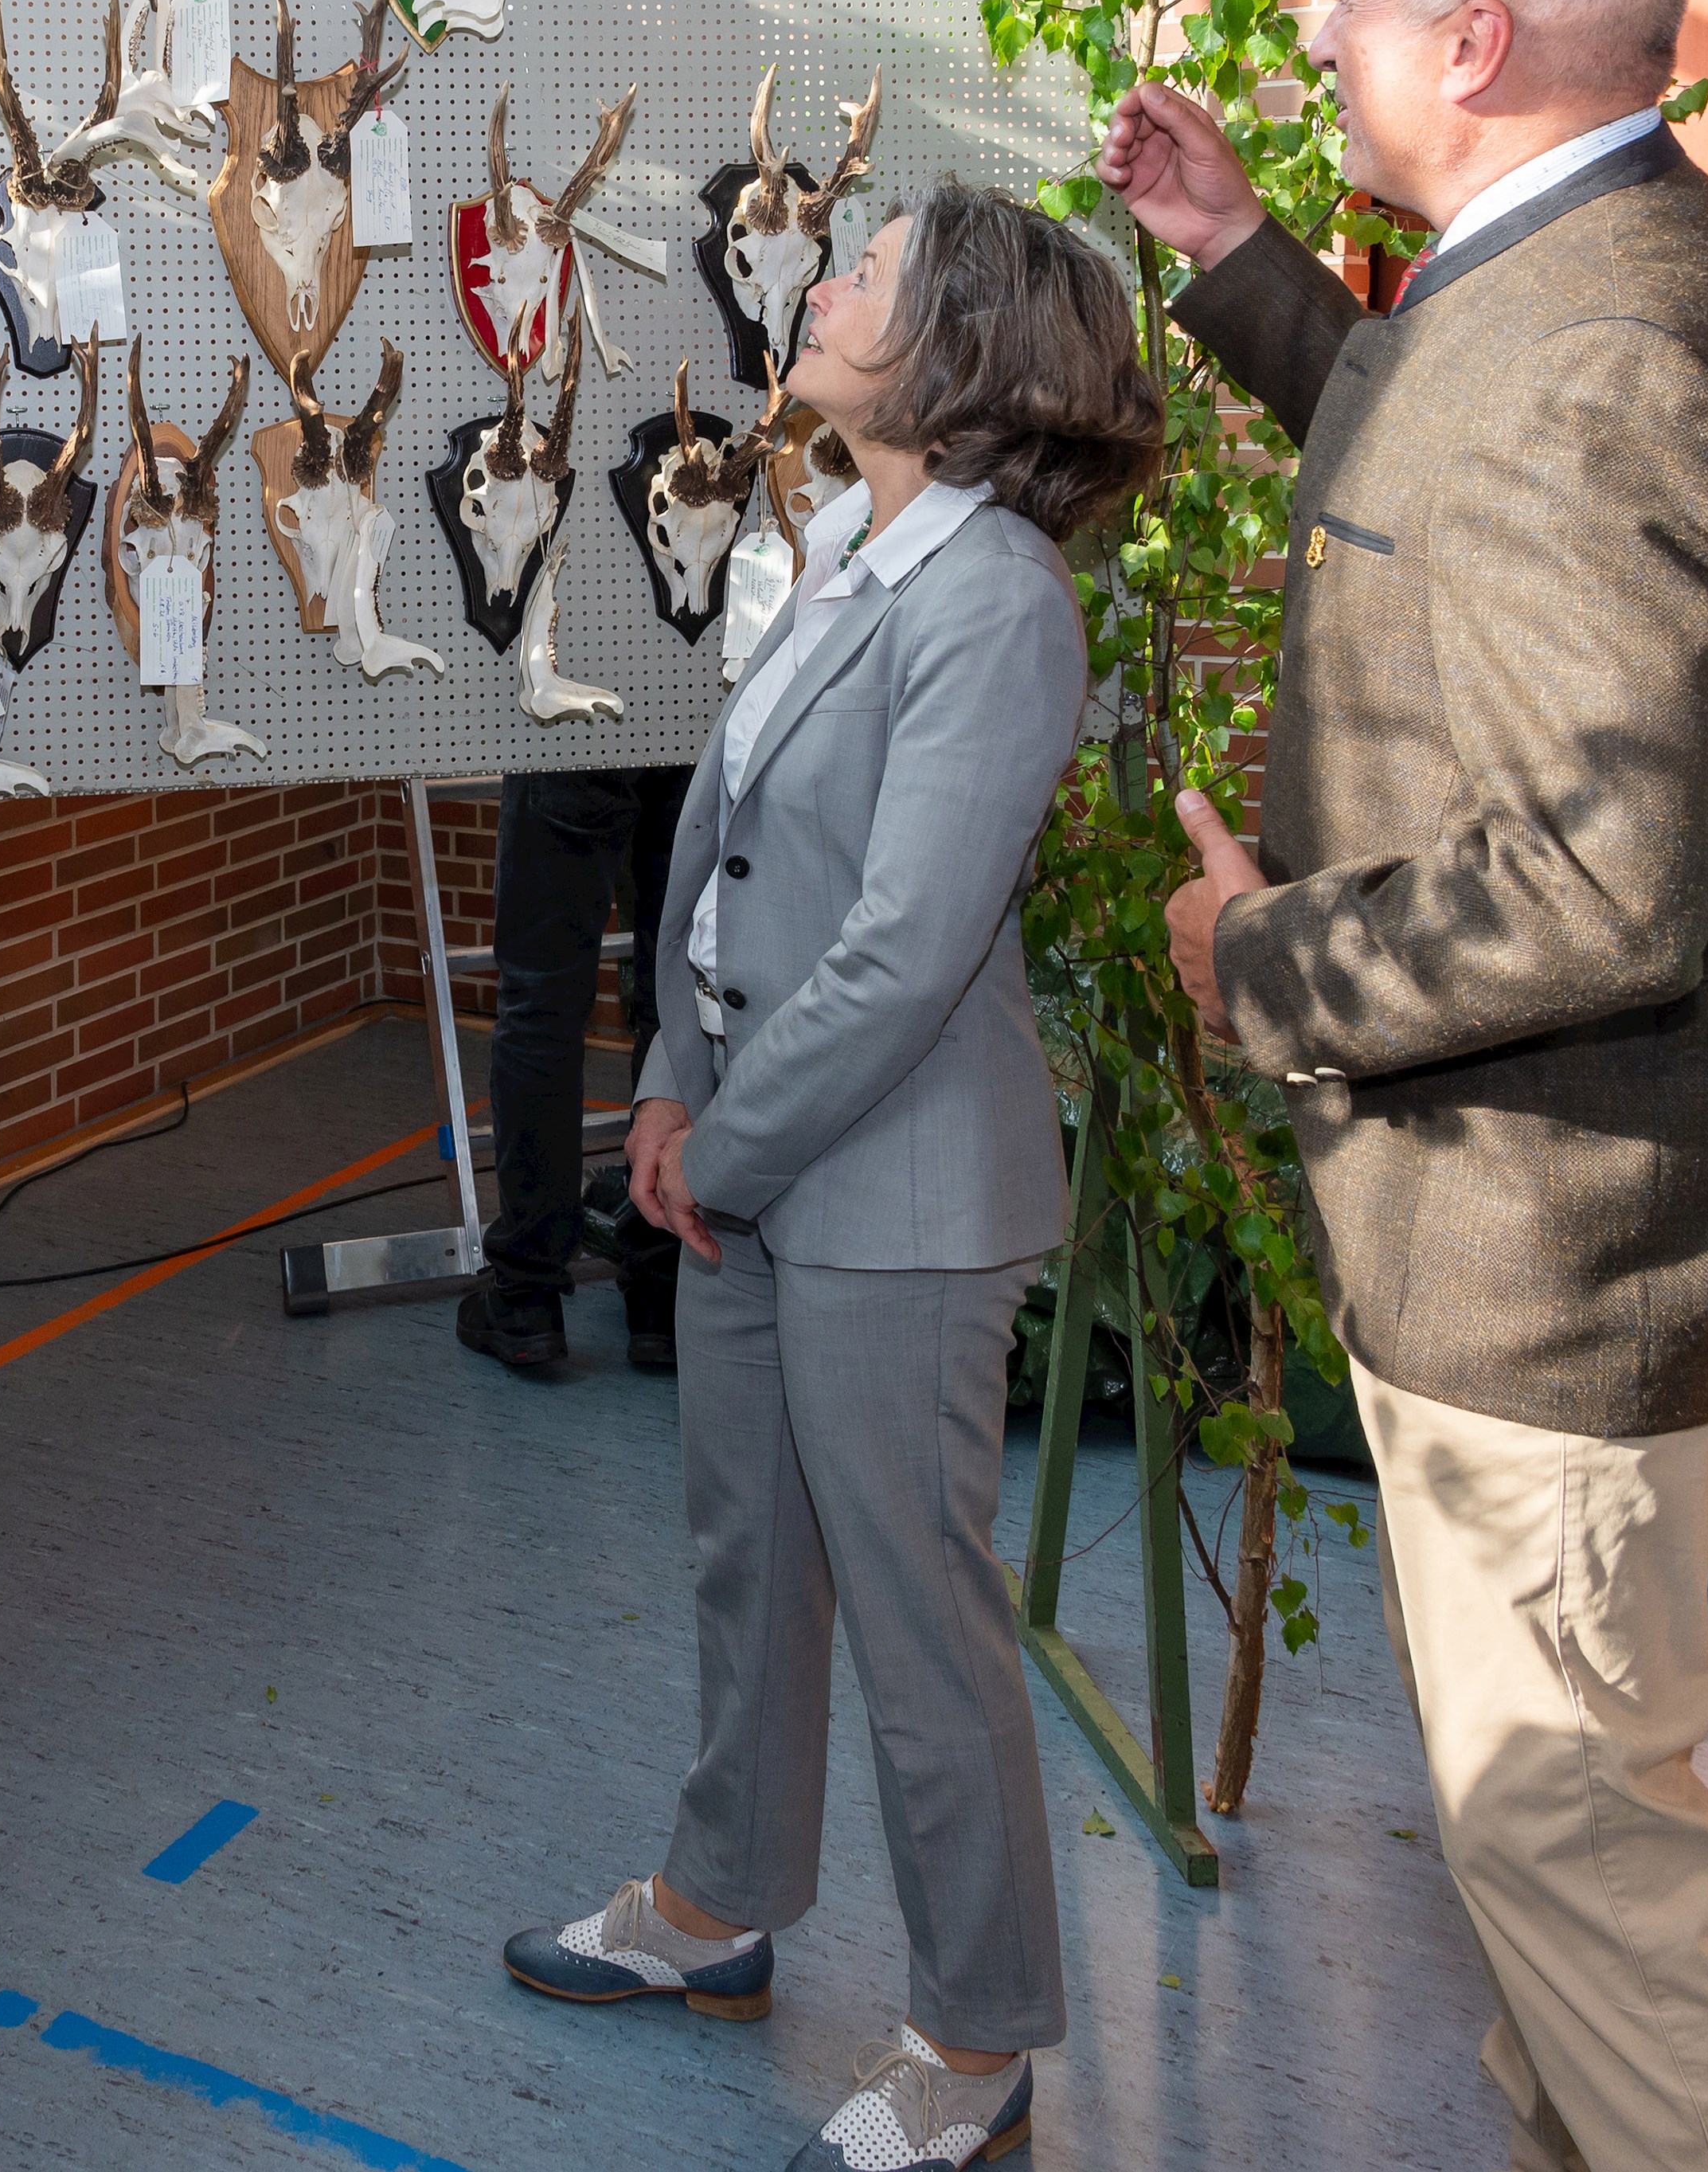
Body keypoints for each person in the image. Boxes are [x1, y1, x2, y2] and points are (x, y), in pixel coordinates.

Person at [1119, 0, 1708, 2172]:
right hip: (1555, 1220)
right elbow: (1445, 454)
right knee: (1560, 1895)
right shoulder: (1566, 270)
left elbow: (1604, 887)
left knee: (1583, 1872)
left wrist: (1258, 954)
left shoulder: (1596, 354)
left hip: (1553, 1253)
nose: (1312, 24)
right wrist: (1238, 265)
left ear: (1475, 43)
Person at [500, 183, 1159, 2172]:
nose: (825, 283)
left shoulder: (998, 600)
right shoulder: (859, 553)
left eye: (863, 269)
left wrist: (722, 1136)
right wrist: (673, 1091)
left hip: (891, 1197)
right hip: (758, 1160)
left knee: (917, 1620)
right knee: (750, 1568)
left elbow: (904, 946)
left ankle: (976, 2040)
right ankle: (717, 1910)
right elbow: (742, 876)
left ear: (955, 354)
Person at [456, 764, 695, 1372]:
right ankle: (664, 1284)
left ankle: (527, 1293)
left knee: (542, 1008)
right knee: (677, 998)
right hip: (694, 708)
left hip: (568, 726)